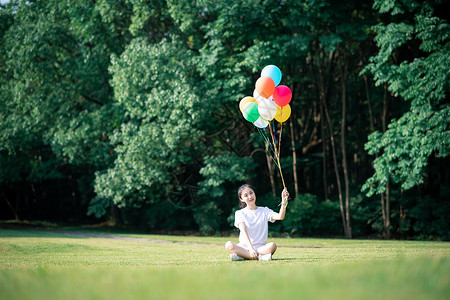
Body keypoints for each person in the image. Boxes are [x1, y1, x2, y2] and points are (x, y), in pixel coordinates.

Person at [224, 184, 289, 261]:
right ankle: (259, 257)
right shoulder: (239, 213)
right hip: (244, 247)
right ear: (241, 199)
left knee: (272, 246)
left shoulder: (264, 211)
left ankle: (243, 256)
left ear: (254, 193)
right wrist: (251, 249)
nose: (250, 197)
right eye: (246, 195)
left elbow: (280, 217)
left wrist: (284, 201)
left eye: (251, 193)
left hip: (260, 249)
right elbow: (243, 231)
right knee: (229, 245)